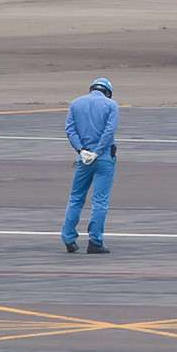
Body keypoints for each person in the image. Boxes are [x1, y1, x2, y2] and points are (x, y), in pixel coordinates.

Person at [62, 76, 118, 254]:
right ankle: (95, 240)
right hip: (103, 157)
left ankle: (68, 237)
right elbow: (109, 131)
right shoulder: (111, 105)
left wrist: (81, 150)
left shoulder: (75, 104)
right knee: (99, 200)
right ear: (107, 92)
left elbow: (69, 128)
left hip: (84, 158)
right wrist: (98, 151)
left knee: (76, 197)